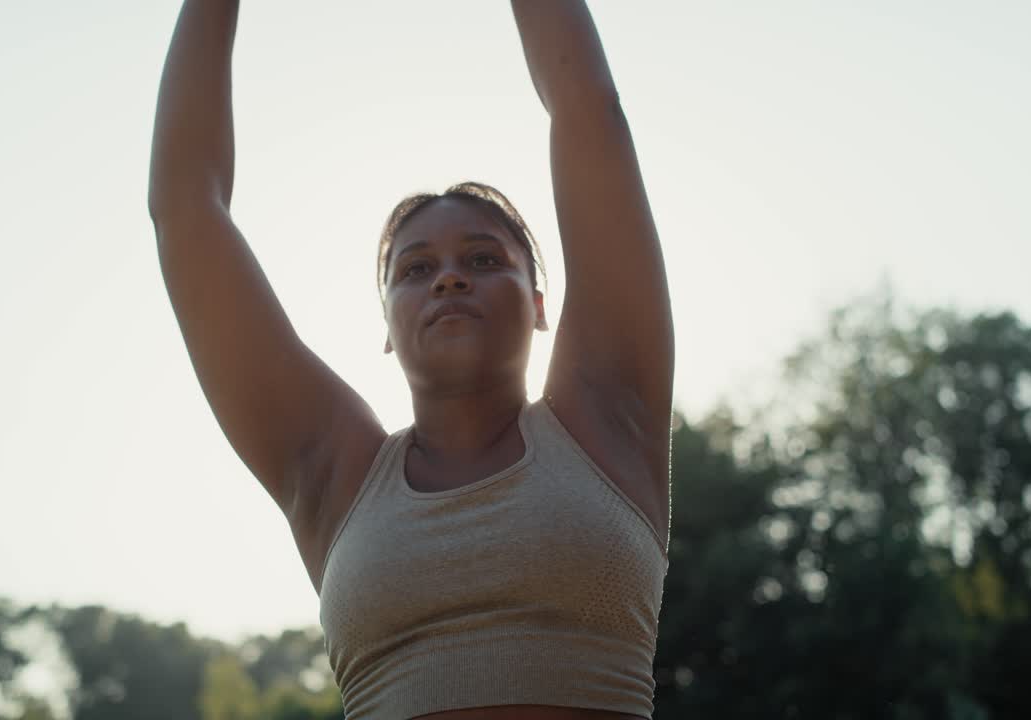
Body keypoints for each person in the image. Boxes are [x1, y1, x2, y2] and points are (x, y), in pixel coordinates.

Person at [148, 2, 673, 718]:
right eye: (416, 269)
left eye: (483, 259)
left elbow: (590, 114)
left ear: (539, 304)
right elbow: (186, 211)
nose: (449, 279)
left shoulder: (606, 417)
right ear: (388, 328)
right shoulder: (333, 473)